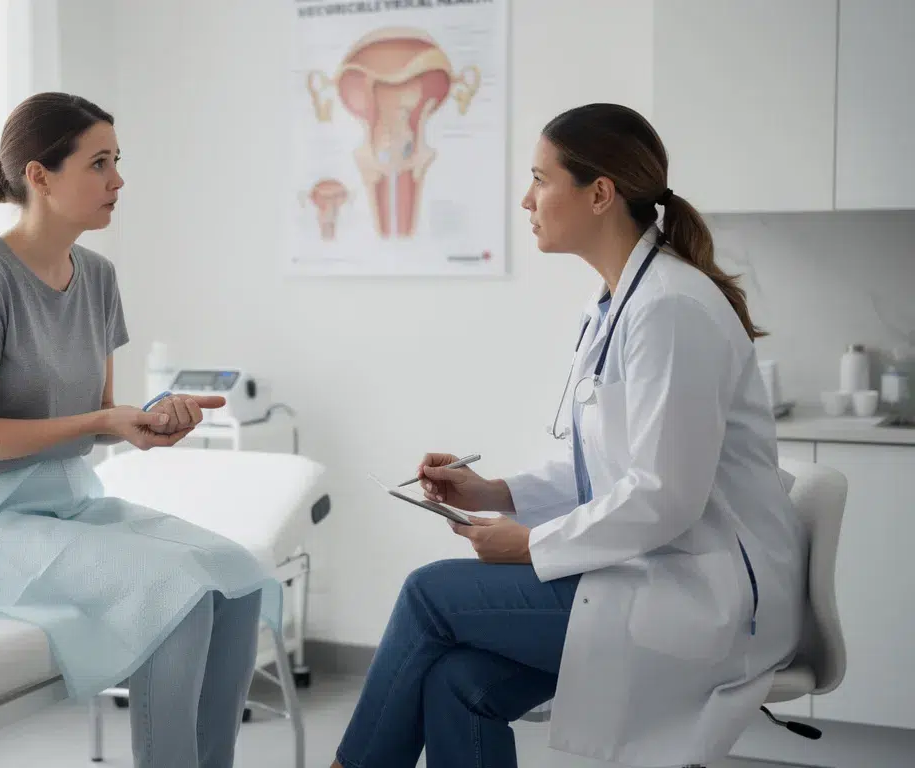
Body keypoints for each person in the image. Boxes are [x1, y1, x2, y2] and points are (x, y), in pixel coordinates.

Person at [331, 103, 806, 768]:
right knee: (456, 682)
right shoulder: (619, 303)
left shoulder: (670, 308)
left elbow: (665, 495)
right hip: (647, 572)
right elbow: (604, 467)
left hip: (699, 597)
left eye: (540, 179)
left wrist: (530, 544)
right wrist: (493, 492)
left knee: (428, 591)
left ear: (600, 193)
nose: (526, 200)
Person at [0, 92, 275, 768]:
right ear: (38, 176)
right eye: (99, 163)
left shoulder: (97, 277)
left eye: (117, 161)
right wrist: (104, 419)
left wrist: (143, 420)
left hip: (56, 501)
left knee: (237, 577)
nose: (118, 181)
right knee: (176, 593)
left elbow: (91, 414)